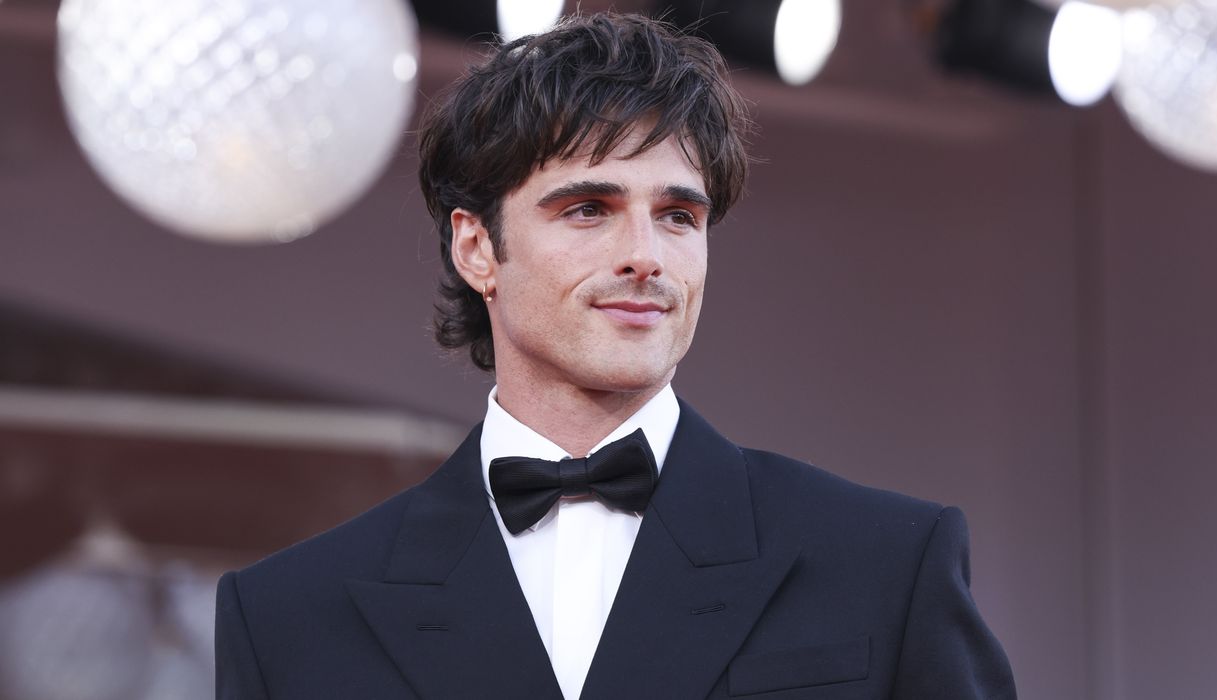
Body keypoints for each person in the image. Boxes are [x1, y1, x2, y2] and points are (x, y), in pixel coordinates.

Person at [215, 12, 1016, 700]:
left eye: (676, 216)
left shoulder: (884, 561)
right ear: (476, 248)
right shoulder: (289, 615)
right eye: (588, 209)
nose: (645, 255)